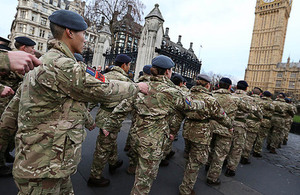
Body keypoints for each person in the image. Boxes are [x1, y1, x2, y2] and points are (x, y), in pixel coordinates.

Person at [0, 9, 148, 194]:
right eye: (83, 34)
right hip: (44, 165)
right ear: (70, 32)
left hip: (48, 160)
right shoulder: (63, 65)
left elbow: (14, 109)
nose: (85, 39)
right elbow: (104, 89)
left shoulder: (44, 60)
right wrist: (136, 87)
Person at [102, 55, 205, 195]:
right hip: (153, 143)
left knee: (138, 167)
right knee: (144, 182)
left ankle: (133, 169)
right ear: (168, 72)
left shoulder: (141, 87)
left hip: (136, 136)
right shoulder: (172, 92)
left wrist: (109, 126)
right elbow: (192, 105)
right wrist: (203, 102)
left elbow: (122, 108)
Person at [179, 74, 232, 195]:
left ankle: (186, 180)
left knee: (189, 155)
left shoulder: (187, 95)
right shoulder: (210, 100)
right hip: (201, 132)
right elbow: (221, 116)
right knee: (195, 161)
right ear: (208, 85)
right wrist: (230, 126)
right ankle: (186, 189)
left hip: (187, 129)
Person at [88, 54, 135, 187]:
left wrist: (89, 109)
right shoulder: (126, 81)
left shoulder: (104, 76)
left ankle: (113, 162)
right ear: (124, 65)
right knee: (102, 148)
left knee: (109, 141)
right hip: (112, 118)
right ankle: (95, 176)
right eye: (129, 65)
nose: (129, 68)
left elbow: (95, 94)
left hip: (103, 113)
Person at [225, 81, 262, 177]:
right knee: (237, 147)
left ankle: (221, 162)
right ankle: (231, 168)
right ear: (246, 89)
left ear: (236, 87)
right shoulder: (249, 99)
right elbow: (257, 111)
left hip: (227, 123)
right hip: (240, 124)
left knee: (224, 144)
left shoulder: (229, 95)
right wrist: (260, 118)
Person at [206, 77, 236, 185]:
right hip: (225, 129)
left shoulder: (211, 95)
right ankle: (212, 177)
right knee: (220, 154)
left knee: (210, 147)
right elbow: (249, 109)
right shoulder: (234, 99)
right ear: (229, 87)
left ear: (218, 85)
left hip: (211, 126)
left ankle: (208, 164)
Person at [240, 88, 263, 164]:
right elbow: (261, 113)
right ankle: (245, 157)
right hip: (255, 123)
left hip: (244, 120)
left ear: (252, 92)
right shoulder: (262, 101)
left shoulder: (245, 98)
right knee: (249, 141)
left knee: (239, 138)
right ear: (260, 94)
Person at [252, 91, 275, 157]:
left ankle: (251, 148)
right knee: (261, 137)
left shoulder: (258, 101)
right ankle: (257, 151)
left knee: (254, 134)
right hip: (266, 121)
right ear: (270, 96)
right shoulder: (271, 103)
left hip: (257, 119)